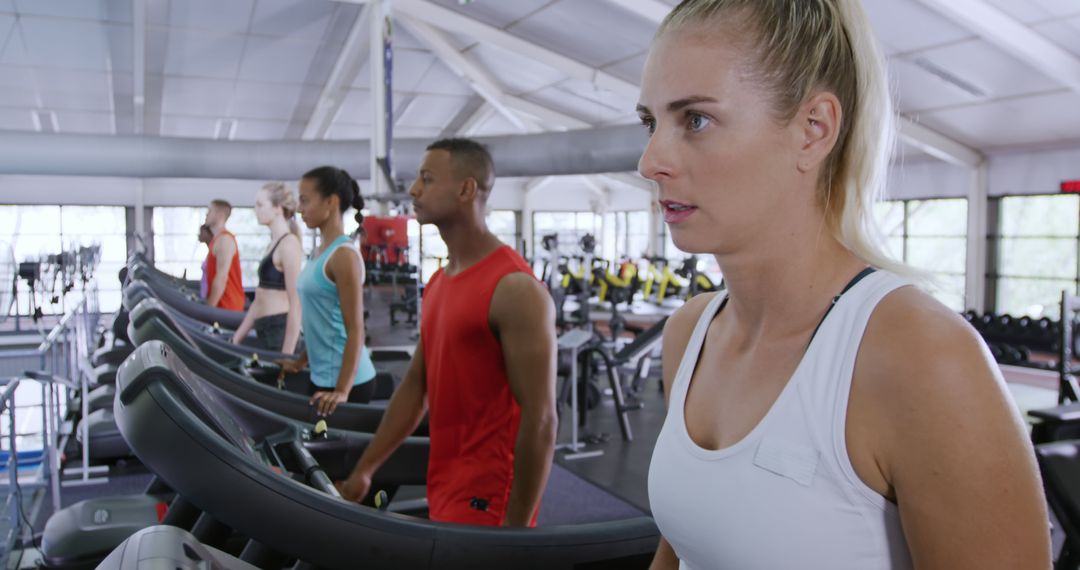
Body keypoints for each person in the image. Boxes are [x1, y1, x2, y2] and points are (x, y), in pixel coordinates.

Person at [638, 1, 1051, 569]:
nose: (650, 160)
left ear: (813, 131)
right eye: (650, 123)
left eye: (696, 120)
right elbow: (683, 550)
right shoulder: (691, 332)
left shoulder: (922, 358)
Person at [336, 139, 558, 527]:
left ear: (466, 189)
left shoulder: (515, 289)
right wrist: (365, 471)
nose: (413, 190)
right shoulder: (439, 281)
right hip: (444, 483)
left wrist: (517, 533)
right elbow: (414, 388)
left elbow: (540, 420)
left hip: (490, 501)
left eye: (426, 178)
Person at [277, 167, 377, 408]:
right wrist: (300, 362)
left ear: (331, 202)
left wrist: (343, 390)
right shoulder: (319, 252)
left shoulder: (344, 256)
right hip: (322, 376)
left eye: (305, 200)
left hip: (346, 382)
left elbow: (355, 329)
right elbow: (321, 322)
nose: (300, 209)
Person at [231, 182, 304, 353]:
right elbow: (259, 300)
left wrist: (287, 356)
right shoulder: (272, 245)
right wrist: (235, 339)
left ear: (278, 208)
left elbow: (296, 303)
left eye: (260, 205)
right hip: (265, 330)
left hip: (279, 331)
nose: (256, 210)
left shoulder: (289, 244)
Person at [204, 199, 245, 311]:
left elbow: (221, 278)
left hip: (228, 305)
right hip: (220, 305)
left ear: (220, 215)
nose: (206, 214)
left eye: (210, 211)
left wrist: (208, 310)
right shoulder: (216, 240)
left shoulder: (225, 240)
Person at [197, 224, 212, 299]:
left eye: (201, 232)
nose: (198, 235)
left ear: (207, 233)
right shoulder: (209, 252)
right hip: (204, 295)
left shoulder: (214, 252)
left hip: (209, 297)